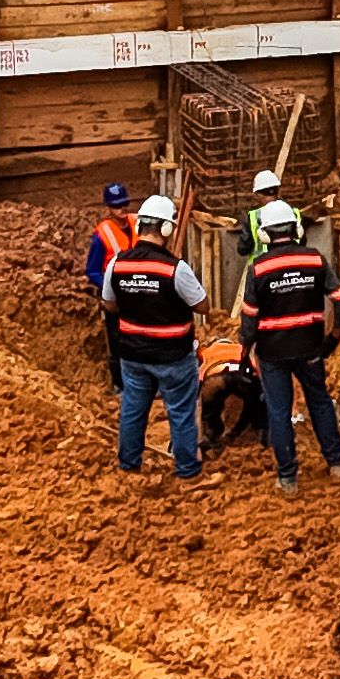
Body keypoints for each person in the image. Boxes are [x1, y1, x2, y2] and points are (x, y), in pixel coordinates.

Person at [239, 201, 340, 495]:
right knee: (319, 402)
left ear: (264, 234)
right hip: (310, 347)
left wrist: (244, 351)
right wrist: (334, 337)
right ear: (296, 229)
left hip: (272, 352)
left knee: (279, 412)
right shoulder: (315, 260)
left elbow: (249, 319)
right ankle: (336, 462)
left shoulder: (258, 269)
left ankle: (288, 478)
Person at [102, 197, 210, 482]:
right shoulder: (175, 268)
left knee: (133, 410)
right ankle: (188, 471)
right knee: (181, 412)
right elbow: (202, 305)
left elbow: (109, 304)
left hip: (133, 355)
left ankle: (128, 466)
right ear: (166, 229)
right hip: (172, 355)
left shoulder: (117, 263)